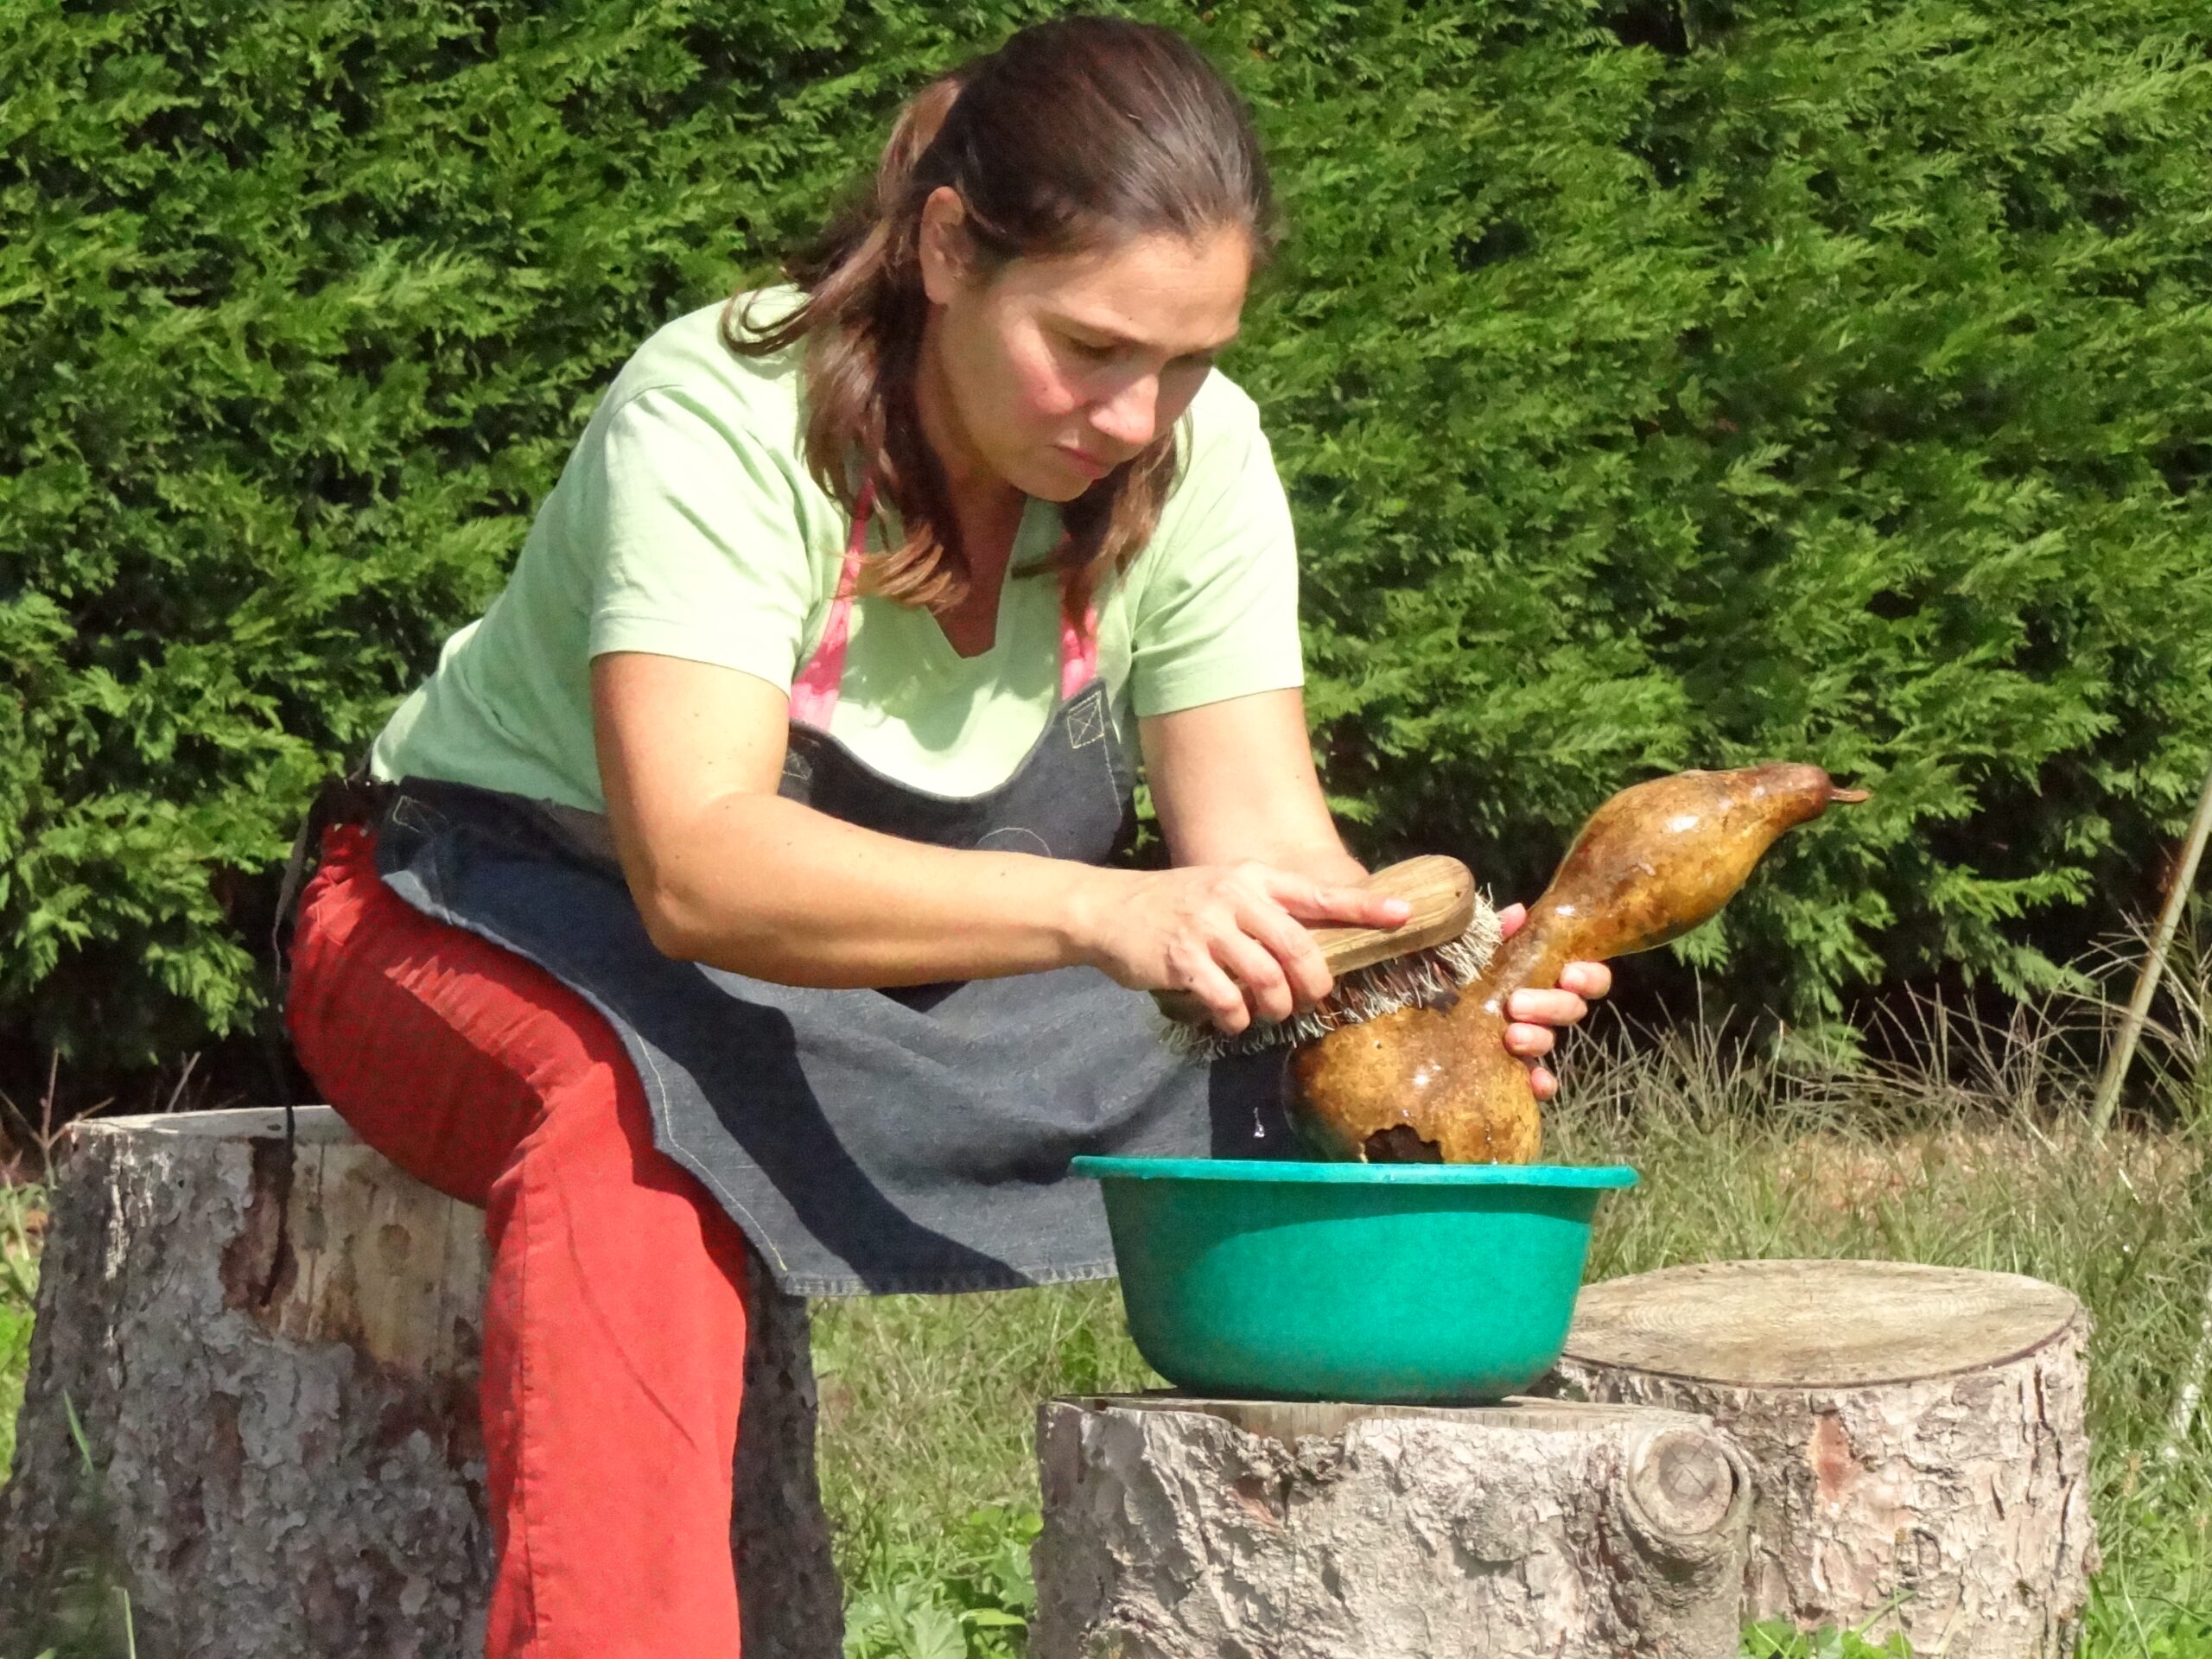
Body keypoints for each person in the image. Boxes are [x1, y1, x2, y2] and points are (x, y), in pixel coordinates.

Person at [281, 16, 1610, 1657]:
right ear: (945, 249)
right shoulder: (721, 410)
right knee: (634, 1147)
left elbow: (1267, 854)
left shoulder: (1201, 462)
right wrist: (1099, 914)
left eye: (1186, 362)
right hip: (469, 912)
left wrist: (1439, 991)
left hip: (843, 966)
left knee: (1299, 1071)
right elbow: (698, 870)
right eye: (1093, 349)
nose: (1138, 416)